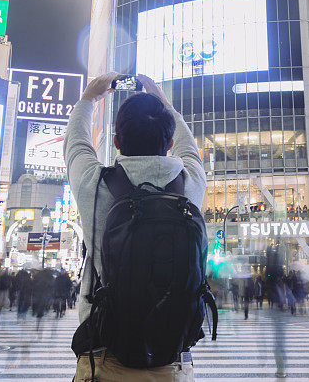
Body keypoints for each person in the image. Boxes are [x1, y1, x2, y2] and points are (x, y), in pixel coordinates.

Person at [65, 73, 207, 381]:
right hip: (173, 363)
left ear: (116, 141)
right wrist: (164, 101)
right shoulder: (190, 183)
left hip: (104, 360)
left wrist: (89, 98)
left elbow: (76, 145)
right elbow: (190, 148)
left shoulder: (95, 184)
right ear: (169, 143)